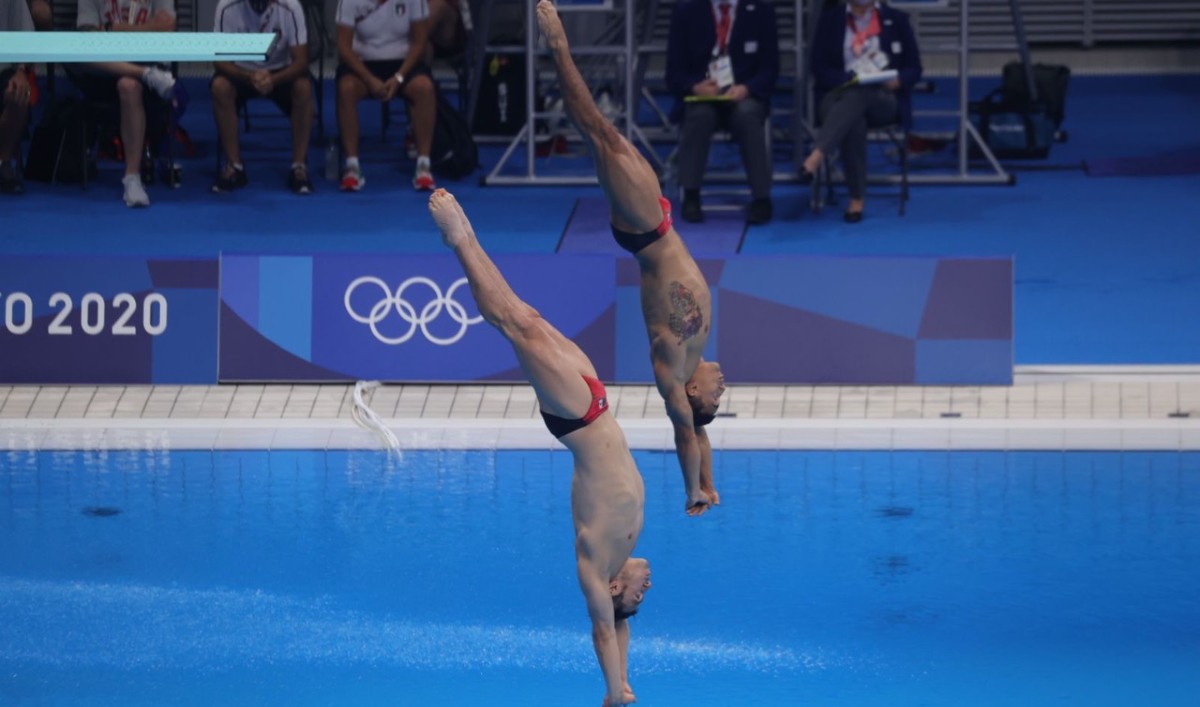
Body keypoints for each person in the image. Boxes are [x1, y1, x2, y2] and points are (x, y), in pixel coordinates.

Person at [428, 188, 652, 707]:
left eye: (640, 595)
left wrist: (610, 694)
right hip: (596, 402)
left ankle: (460, 238)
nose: (648, 587)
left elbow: (605, 628)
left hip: (576, 418)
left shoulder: (596, 567)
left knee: (514, 324)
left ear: (615, 591)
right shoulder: (624, 550)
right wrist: (623, 681)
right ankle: (463, 238)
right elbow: (622, 629)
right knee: (525, 314)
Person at [537, 0, 724, 517]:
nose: (722, 388)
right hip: (655, 223)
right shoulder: (697, 357)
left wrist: (690, 492)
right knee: (604, 134)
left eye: (713, 398)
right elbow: (702, 434)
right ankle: (560, 53)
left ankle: (558, 48)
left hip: (646, 229)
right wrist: (709, 483)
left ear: (692, 393)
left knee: (598, 128)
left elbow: (687, 432)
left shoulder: (673, 361)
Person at [802, 0, 922, 223]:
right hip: (836, 96)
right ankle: (856, 199)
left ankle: (817, 155)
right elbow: (819, 68)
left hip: (883, 99)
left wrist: (899, 80)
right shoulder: (830, 20)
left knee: (861, 94)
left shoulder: (897, 20)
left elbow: (914, 68)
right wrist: (849, 81)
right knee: (854, 113)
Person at [665, 0, 778, 225]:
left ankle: (761, 197)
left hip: (744, 95)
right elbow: (673, 73)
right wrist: (694, 87)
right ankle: (691, 194)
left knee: (747, 116)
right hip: (702, 96)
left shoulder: (762, 11)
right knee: (699, 116)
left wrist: (747, 88)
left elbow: (770, 69)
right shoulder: (686, 11)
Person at [72, 0, 182, 207]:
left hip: (147, 61)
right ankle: (144, 75)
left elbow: (168, 28)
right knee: (78, 53)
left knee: (129, 86)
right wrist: (149, 28)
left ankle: (132, 178)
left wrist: (112, 29)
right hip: (104, 68)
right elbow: (87, 35)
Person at [211, 0, 314, 195]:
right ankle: (235, 166)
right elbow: (219, 60)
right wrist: (248, 77)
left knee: (303, 88)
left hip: (281, 72)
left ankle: (299, 166)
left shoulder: (291, 7)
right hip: (241, 72)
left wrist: (273, 79)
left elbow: (301, 61)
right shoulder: (226, 6)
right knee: (220, 87)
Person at [334, 0, 438, 192]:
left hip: (403, 64)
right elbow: (343, 46)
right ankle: (352, 167)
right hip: (363, 65)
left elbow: (419, 42)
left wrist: (399, 77)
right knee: (346, 88)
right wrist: (369, 78)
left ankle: (423, 166)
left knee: (424, 87)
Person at [0, 0, 35, 194]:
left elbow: (26, 37)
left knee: (19, 92)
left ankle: (3, 162)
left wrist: (22, 71)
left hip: (2, 69)